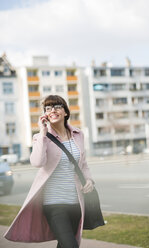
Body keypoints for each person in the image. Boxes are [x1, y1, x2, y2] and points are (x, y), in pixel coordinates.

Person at [4, 95, 94, 248]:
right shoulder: (41, 137)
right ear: (45, 114)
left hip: (76, 202)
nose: (52, 110)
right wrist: (42, 133)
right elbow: (37, 162)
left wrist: (90, 180)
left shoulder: (78, 135)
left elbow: (83, 164)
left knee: (65, 244)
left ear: (65, 112)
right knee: (70, 245)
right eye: (48, 108)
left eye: (57, 106)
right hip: (54, 204)